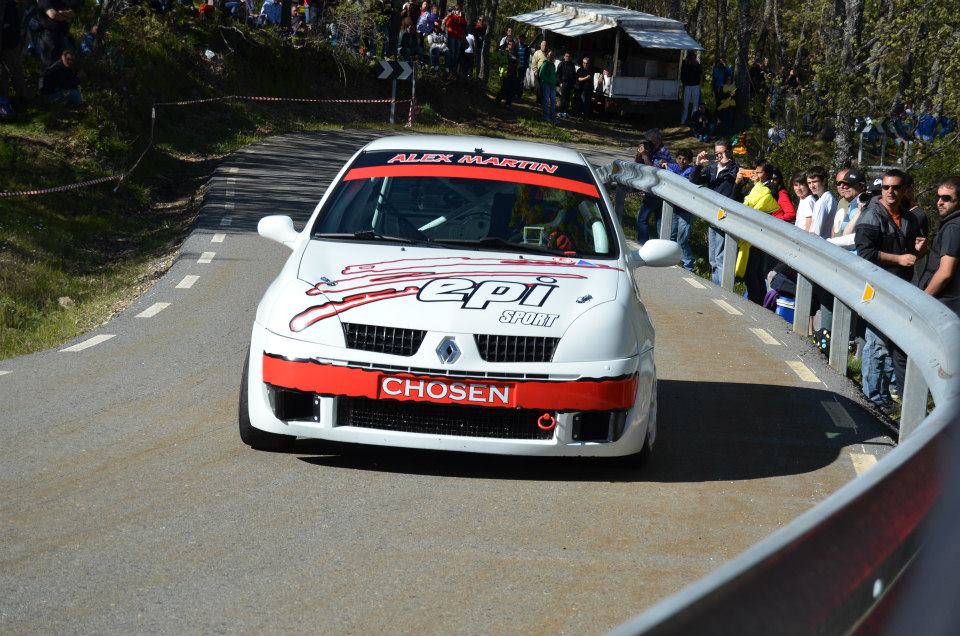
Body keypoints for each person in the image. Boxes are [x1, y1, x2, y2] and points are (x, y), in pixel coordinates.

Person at [854, 168, 927, 414]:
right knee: (876, 343)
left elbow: (911, 257)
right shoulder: (871, 216)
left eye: (896, 187)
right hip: (877, 287)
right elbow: (865, 253)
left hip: (901, 287)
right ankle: (872, 398)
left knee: (891, 343)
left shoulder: (910, 218)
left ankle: (883, 396)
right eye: (886, 187)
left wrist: (919, 252)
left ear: (904, 190)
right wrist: (898, 259)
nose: (890, 192)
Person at [692, 140, 738, 285]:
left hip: (724, 216)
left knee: (720, 257)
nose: (719, 156)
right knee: (712, 257)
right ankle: (715, 285)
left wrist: (727, 163)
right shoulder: (712, 168)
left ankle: (722, 288)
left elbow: (736, 183)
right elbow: (694, 180)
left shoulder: (735, 169)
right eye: (716, 153)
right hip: (712, 214)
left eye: (722, 152)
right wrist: (698, 165)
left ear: (729, 152)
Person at [739, 161, 782, 303]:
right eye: (755, 171)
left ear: (767, 174)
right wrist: (738, 183)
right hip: (751, 232)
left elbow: (764, 201)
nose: (756, 175)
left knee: (752, 270)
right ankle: (759, 300)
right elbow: (738, 198)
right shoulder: (755, 186)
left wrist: (757, 184)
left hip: (759, 233)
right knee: (755, 270)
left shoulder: (771, 187)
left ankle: (755, 301)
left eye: (759, 172)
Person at [917, 176, 960, 316]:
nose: (939, 202)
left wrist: (923, 300)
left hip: (945, 306)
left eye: (946, 198)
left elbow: (945, 273)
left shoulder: (953, 227)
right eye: (938, 197)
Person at [634, 129, 672, 243]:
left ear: (657, 140)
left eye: (650, 140)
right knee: (659, 221)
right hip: (652, 188)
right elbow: (637, 164)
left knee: (642, 219)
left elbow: (653, 170)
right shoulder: (651, 149)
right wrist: (639, 154)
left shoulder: (663, 152)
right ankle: (659, 245)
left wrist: (645, 156)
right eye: (647, 140)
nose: (648, 142)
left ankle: (643, 243)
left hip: (658, 189)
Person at [661, 148, 696, 270]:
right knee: (671, 236)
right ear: (676, 159)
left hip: (685, 210)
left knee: (682, 240)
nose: (682, 161)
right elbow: (667, 165)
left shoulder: (691, 170)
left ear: (689, 161)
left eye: (685, 159)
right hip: (674, 208)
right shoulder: (675, 166)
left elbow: (681, 179)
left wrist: (668, 168)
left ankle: (688, 264)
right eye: (679, 158)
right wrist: (664, 164)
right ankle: (671, 260)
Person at [1, 0, 32, 101]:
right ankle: (5, 98)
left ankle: (21, 96)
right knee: (7, 70)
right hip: (10, 38)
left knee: (14, 67)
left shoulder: (10, 5)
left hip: (10, 40)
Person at [37, 0, 75, 69]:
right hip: (50, 38)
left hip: (63, 36)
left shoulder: (60, 1)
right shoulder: (44, 1)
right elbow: (53, 15)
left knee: (66, 65)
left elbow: (72, 14)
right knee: (51, 66)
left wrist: (61, 13)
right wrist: (66, 15)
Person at [806, 165, 837, 239]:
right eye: (809, 183)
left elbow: (814, 234)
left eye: (815, 182)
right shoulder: (830, 197)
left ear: (823, 181)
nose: (811, 186)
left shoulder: (821, 203)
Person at [679, 50, 702, 124]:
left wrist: (697, 65)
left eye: (693, 57)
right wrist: (684, 82)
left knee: (695, 103)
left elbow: (700, 72)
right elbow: (682, 73)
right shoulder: (685, 63)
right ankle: (683, 120)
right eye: (690, 57)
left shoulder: (697, 64)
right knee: (686, 103)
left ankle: (693, 119)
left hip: (695, 85)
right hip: (688, 85)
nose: (692, 58)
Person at [495, 39, 518, 107]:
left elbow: (518, 63)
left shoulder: (516, 54)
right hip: (505, 73)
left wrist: (517, 62)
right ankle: (497, 100)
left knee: (511, 89)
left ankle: (508, 103)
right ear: (508, 45)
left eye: (513, 45)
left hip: (513, 73)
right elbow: (498, 60)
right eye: (510, 44)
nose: (512, 46)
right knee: (504, 88)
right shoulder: (504, 52)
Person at [443, 6, 466, 72]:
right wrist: (452, 16)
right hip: (451, 36)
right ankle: (450, 66)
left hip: (458, 37)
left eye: (458, 10)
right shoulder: (451, 17)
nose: (458, 11)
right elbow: (447, 24)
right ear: (454, 11)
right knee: (452, 52)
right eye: (456, 10)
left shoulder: (460, 18)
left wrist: (460, 17)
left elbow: (465, 23)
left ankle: (454, 67)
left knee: (457, 53)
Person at [538, 49, 557, 123]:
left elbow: (553, 75)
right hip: (546, 84)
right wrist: (548, 80)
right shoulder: (545, 63)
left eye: (553, 55)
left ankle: (553, 117)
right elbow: (541, 74)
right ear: (548, 56)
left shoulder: (553, 64)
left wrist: (555, 82)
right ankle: (546, 116)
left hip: (552, 85)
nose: (552, 56)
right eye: (550, 55)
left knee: (553, 101)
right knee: (546, 101)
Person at [556, 51, 576, 118]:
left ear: (571, 57)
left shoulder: (572, 65)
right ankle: (560, 112)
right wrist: (560, 83)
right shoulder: (561, 64)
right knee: (563, 99)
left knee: (568, 99)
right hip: (563, 84)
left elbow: (574, 75)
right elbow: (558, 74)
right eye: (566, 56)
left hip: (570, 84)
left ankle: (566, 112)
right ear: (564, 57)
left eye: (569, 56)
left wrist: (574, 84)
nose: (568, 57)